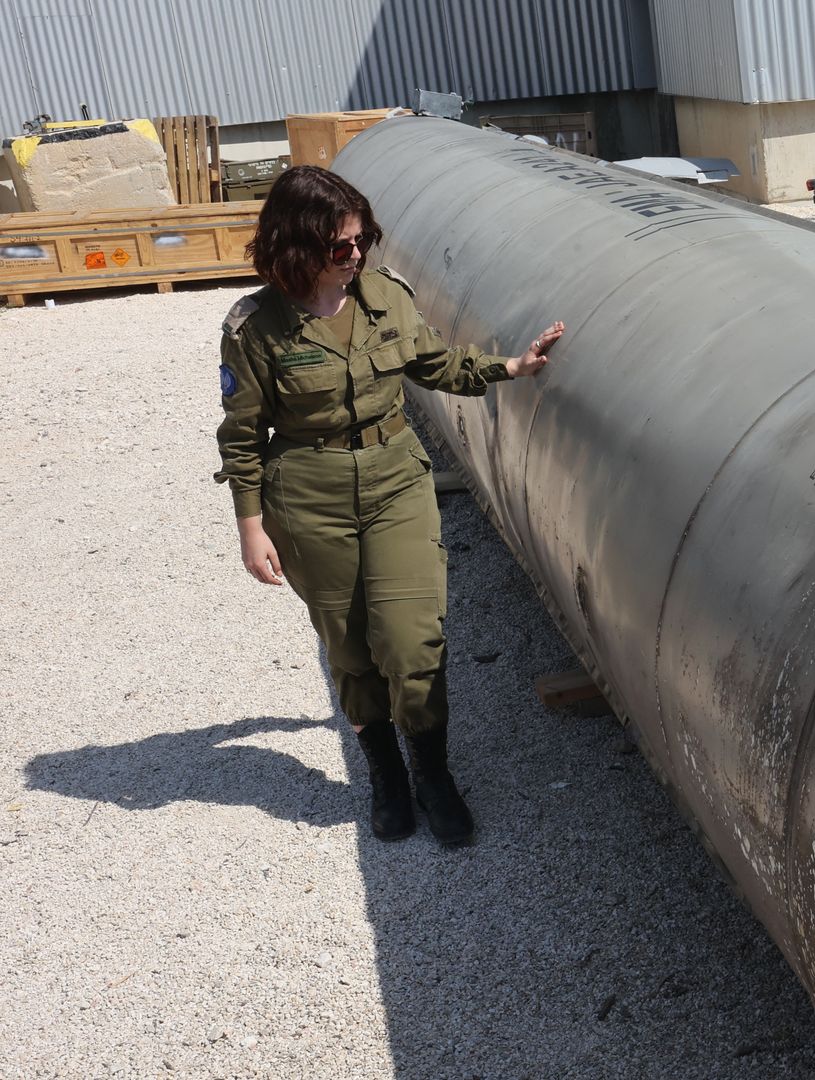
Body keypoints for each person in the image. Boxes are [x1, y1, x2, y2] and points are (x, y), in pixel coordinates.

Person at [214, 165, 564, 846]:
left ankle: (433, 775)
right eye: (340, 246)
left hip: (395, 480)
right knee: (350, 651)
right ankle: (386, 776)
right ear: (296, 246)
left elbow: (434, 364)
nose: (356, 256)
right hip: (308, 495)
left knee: (413, 639)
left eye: (362, 240)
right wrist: (250, 527)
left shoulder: (385, 297)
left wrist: (510, 369)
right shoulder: (254, 327)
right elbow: (242, 434)